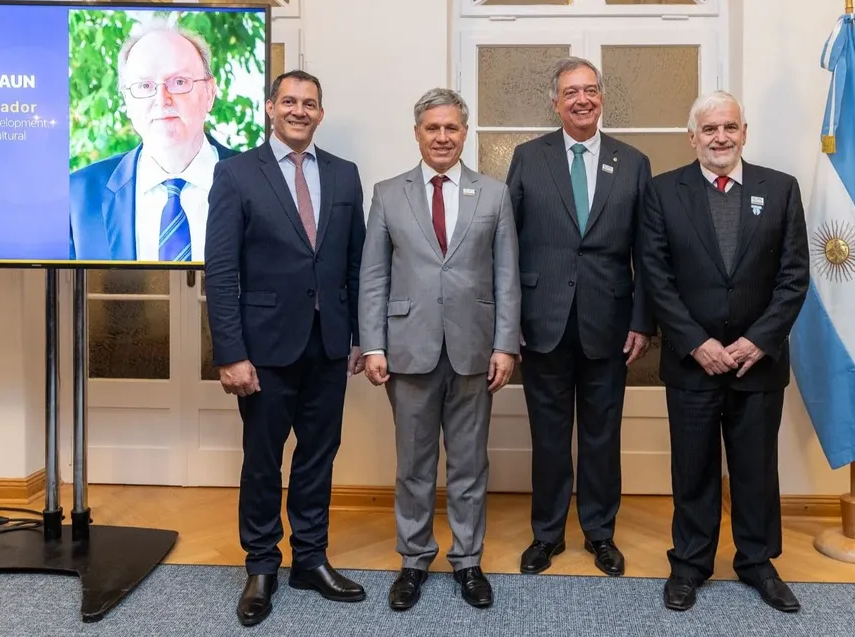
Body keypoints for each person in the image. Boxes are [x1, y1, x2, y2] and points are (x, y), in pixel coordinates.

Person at [204, 69, 367, 627]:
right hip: (263, 349)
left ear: (321, 113)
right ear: (271, 107)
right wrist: (230, 352)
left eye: (311, 103)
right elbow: (221, 271)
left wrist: (359, 338)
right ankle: (262, 566)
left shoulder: (345, 177)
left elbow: (354, 265)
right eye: (290, 101)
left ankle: (311, 559)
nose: (300, 110)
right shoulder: (234, 174)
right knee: (262, 461)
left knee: (319, 456)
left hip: (327, 345)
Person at [641, 90, 809, 613]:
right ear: (692, 137)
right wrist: (697, 343)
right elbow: (656, 276)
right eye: (709, 129)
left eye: (729, 127)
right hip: (694, 363)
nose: (720, 137)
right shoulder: (663, 192)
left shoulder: (780, 189)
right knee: (693, 468)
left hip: (758, 362)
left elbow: (794, 276)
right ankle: (690, 563)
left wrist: (759, 340)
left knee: (756, 468)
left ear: (744, 133)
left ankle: (757, 561)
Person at [358, 88, 520, 611]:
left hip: (476, 350)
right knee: (413, 464)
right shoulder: (388, 193)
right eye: (433, 128)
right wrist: (373, 345)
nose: (443, 137)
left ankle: (468, 561)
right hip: (407, 349)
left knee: (470, 465)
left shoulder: (493, 194)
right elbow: (373, 277)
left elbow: (506, 276)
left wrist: (505, 344)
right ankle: (413, 560)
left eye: (452, 128)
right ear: (418, 133)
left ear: (464, 133)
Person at [506, 56, 654, 578]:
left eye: (590, 90)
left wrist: (642, 321)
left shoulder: (633, 162)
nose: (581, 99)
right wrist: (509, 320)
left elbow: (646, 251)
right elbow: (508, 246)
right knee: (547, 437)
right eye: (571, 92)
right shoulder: (528, 158)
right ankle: (546, 534)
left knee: (601, 434)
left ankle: (599, 532)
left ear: (602, 96)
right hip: (540, 321)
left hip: (610, 324)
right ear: (555, 102)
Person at [70, 19, 237, 261]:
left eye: (179, 82)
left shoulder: (264, 186)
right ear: (126, 101)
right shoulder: (78, 196)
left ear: (210, 93)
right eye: (144, 85)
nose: (162, 99)